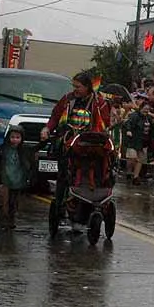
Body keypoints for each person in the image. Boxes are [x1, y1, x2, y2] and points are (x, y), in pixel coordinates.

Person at [41, 72, 110, 228]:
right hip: (68, 146)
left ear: (87, 87)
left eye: (78, 87)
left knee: (94, 176)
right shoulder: (67, 99)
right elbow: (55, 116)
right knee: (64, 176)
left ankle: (86, 210)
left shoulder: (99, 103)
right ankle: (61, 206)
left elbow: (105, 123)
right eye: (74, 86)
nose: (75, 89)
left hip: (92, 147)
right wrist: (47, 129)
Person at [0, 125, 31, 229]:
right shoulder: (3, 149)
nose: (15, 140)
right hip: (5, 180)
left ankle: (11, 220)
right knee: (4, 202)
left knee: (14, 202)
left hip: (17, 181)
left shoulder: (23, 151)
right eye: (12, 137)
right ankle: (3, 221)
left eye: (17, 137)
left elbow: (29, 164)